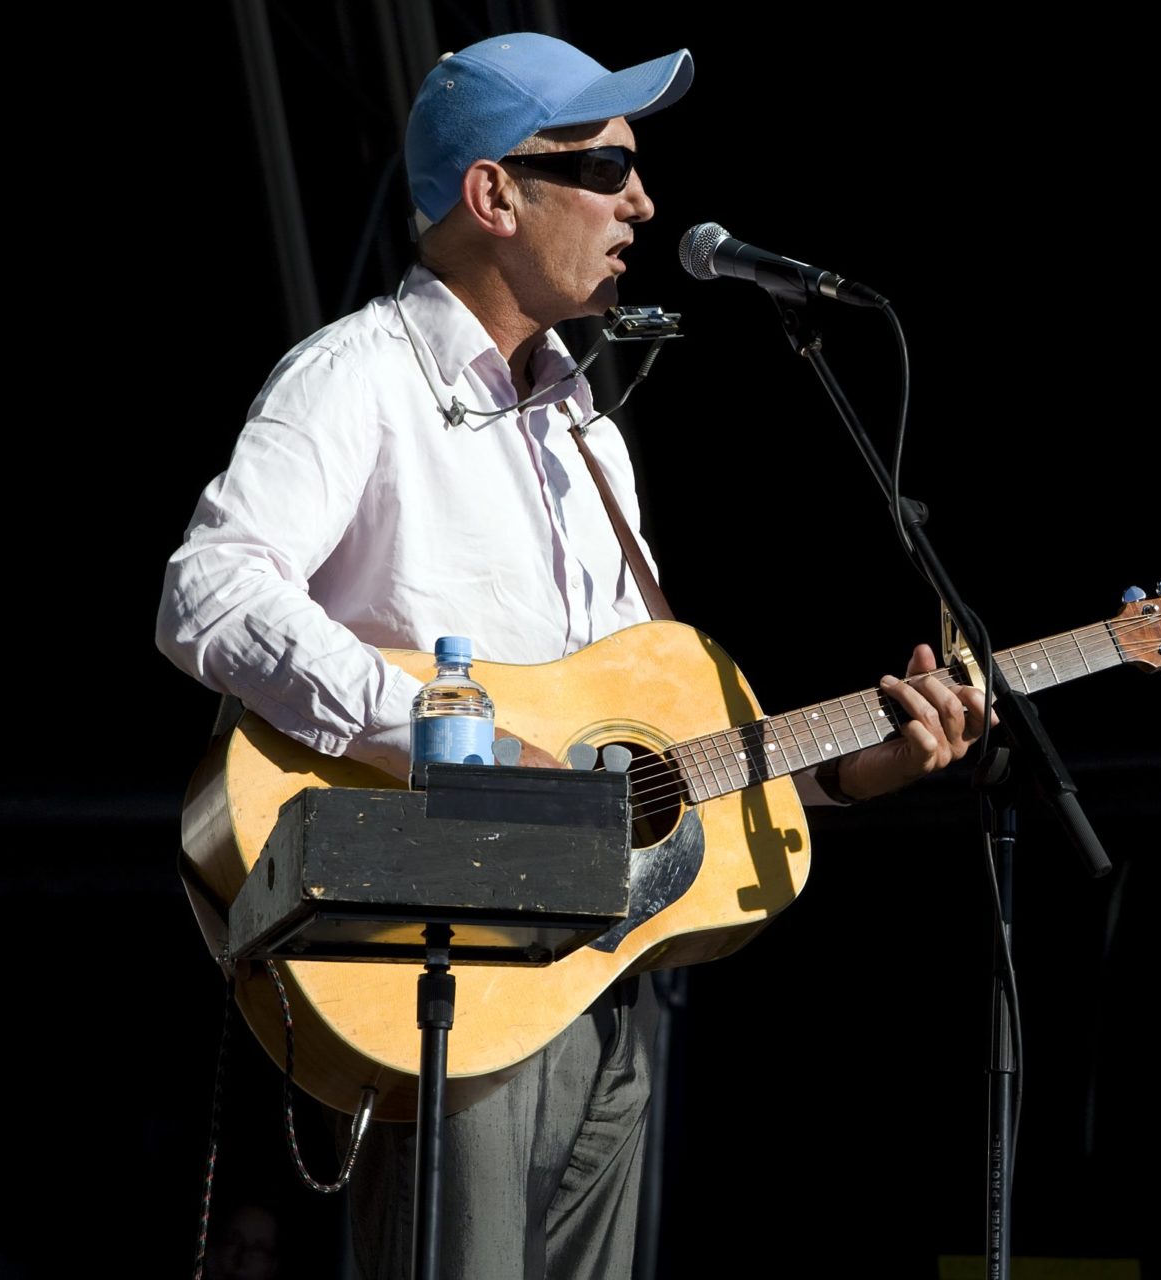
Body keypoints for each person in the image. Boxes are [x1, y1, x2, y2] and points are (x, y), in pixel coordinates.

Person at [156, 32, 989, 1279]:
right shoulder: (357, 378)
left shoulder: (587, 437)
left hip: (600, 979)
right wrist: (453, 728)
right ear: (493, 196)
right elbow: (206, 591)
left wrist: (852, 770)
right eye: (604, 166)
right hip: (448, 963)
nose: (643, 202)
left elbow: (635, 750)